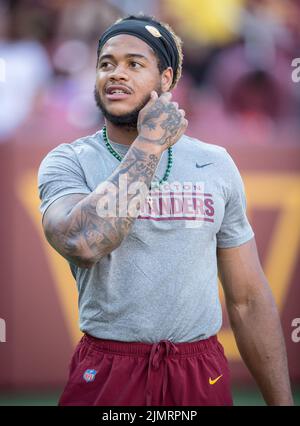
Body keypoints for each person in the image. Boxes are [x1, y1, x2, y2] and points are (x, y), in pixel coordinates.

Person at [38, 14, 293, 406]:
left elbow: (247, 300)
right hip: (108, 366)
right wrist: (151, 142)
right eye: (106, 64)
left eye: (134, 64)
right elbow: (84, 241)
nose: (115, 74)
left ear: (167, 79)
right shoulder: (68, 161)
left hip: (198, 368)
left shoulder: (215, 163)